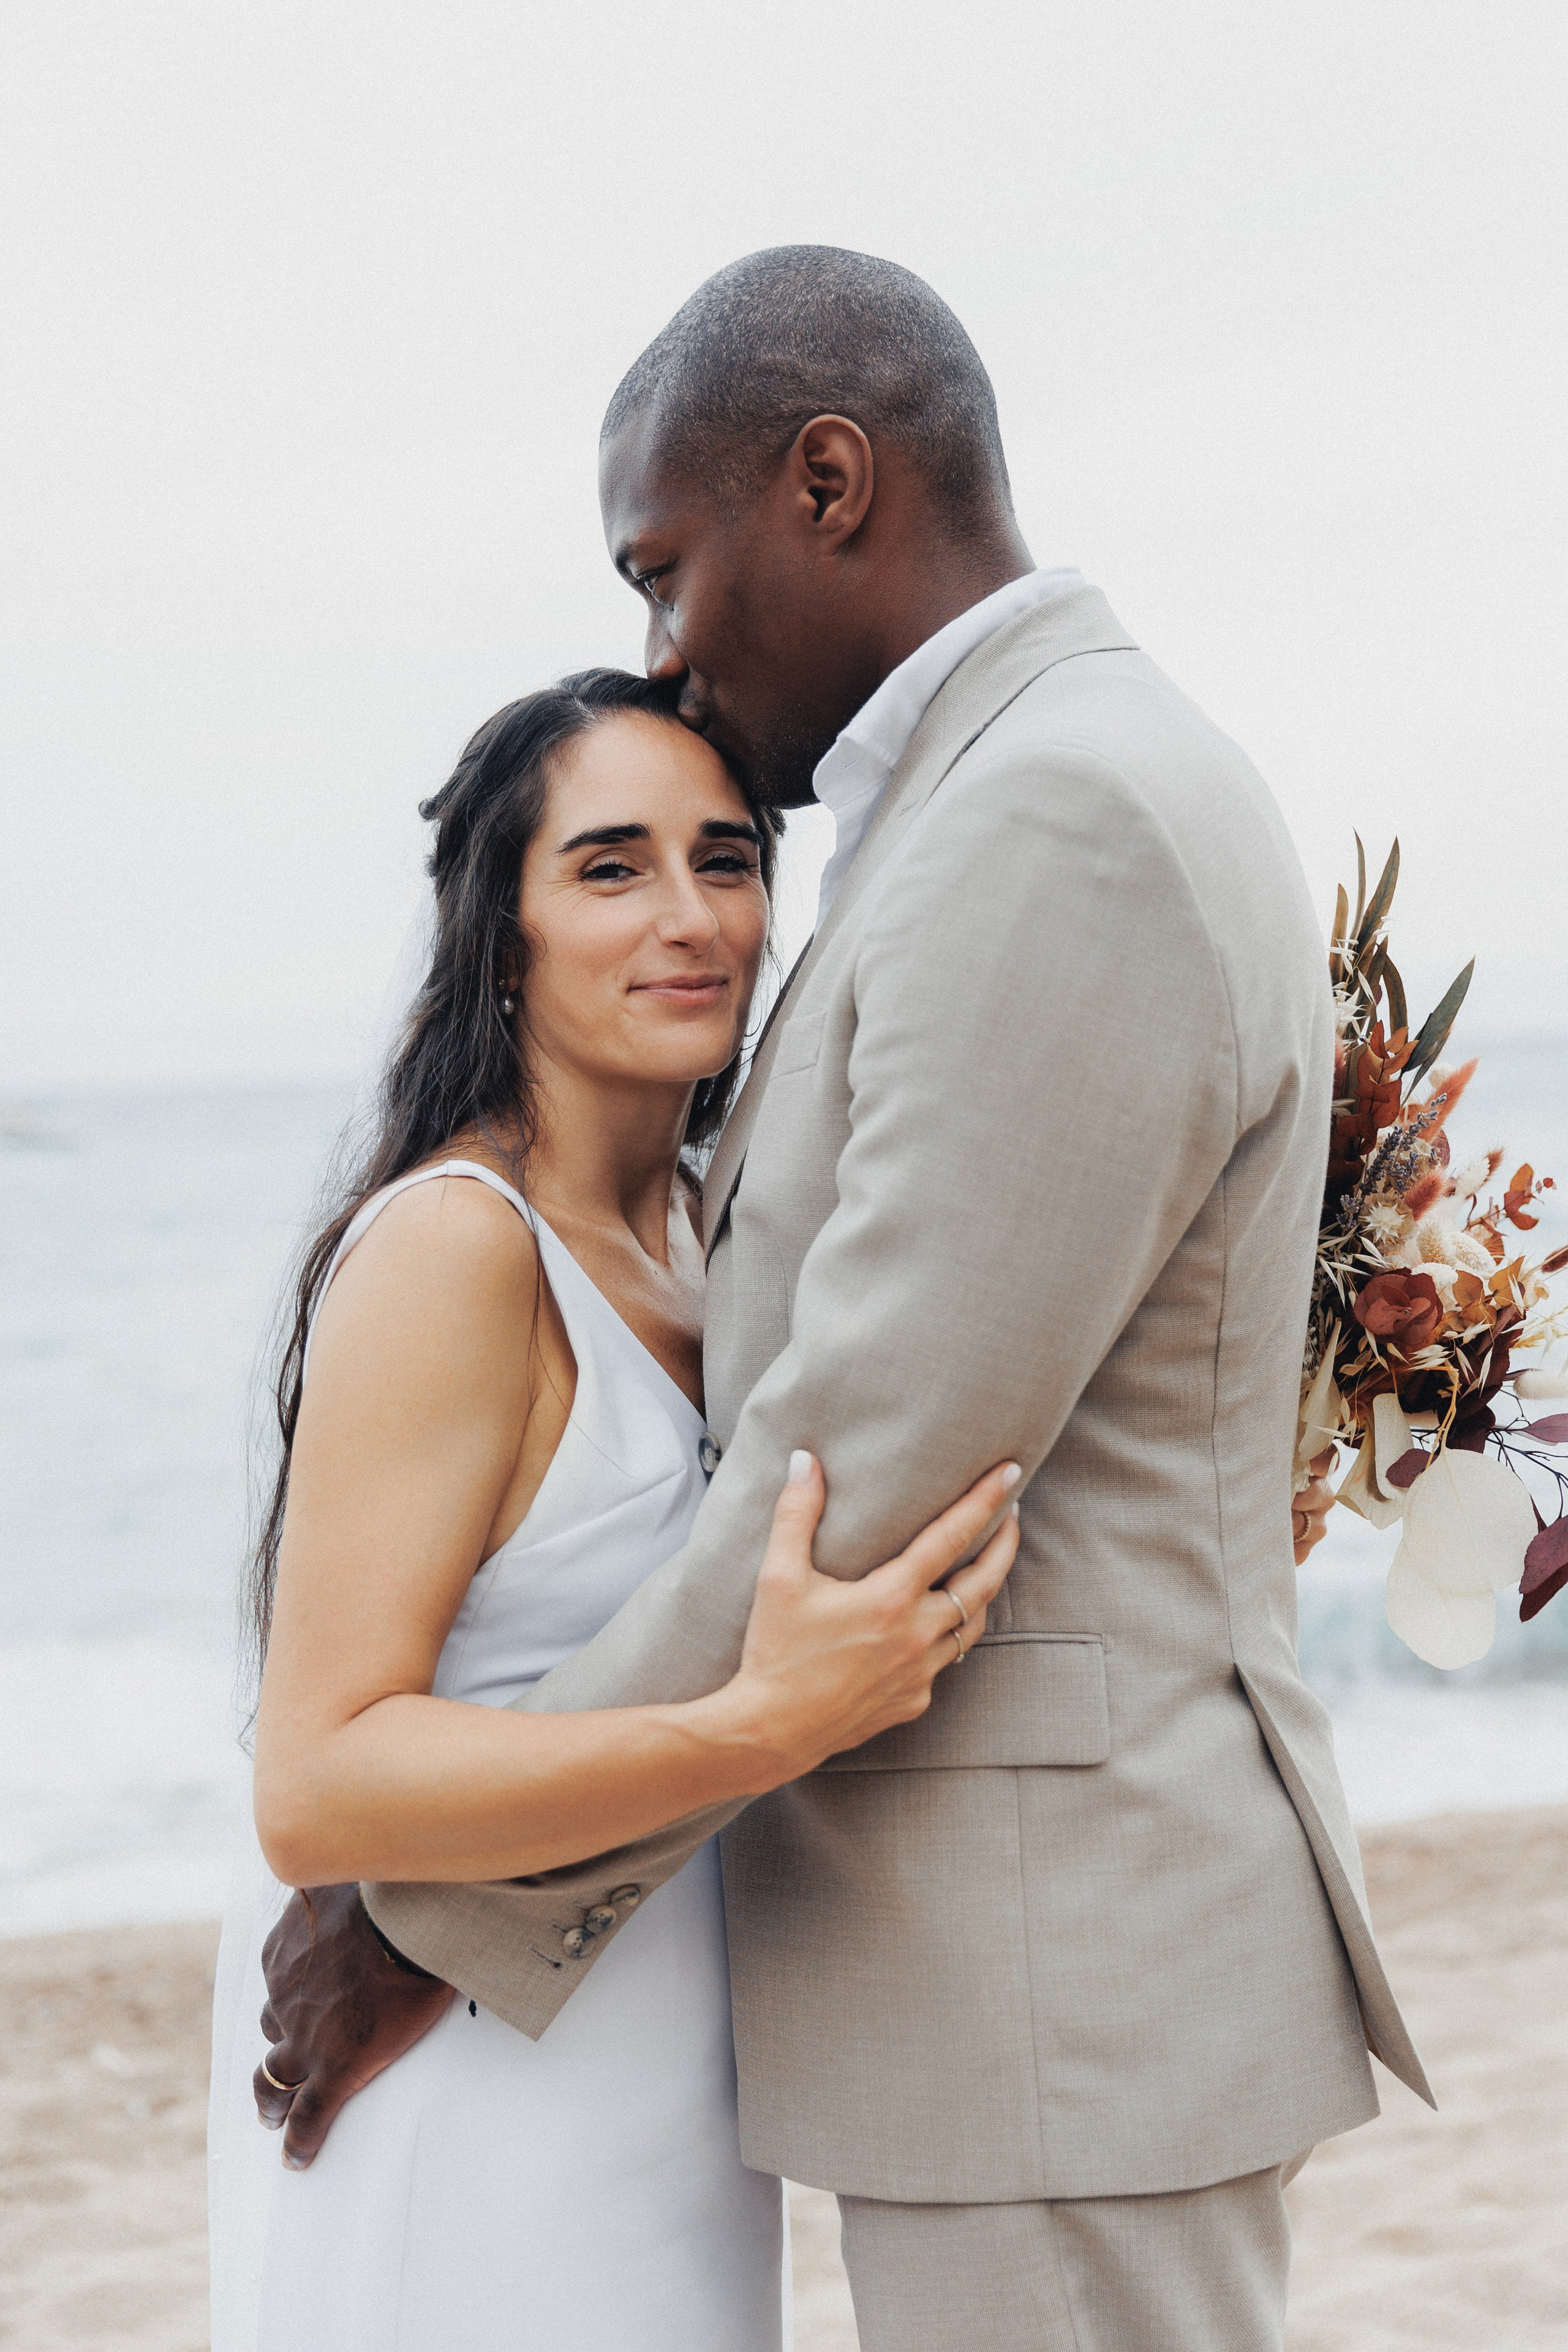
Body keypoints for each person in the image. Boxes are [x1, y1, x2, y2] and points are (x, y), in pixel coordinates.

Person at [252, 249, 1404, 2352]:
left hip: (1054, 1995)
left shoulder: (1054, 809)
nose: (664, 645)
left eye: (664, 566)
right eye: (606, 866)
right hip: (999, 1996)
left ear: (832, 481)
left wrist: (432, 1917)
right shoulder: (1029, 789)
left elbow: (857, 1457)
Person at [206, 666, 1022, 2350]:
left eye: (726, 862)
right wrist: (764, 1727)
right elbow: (319, 1779)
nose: (690, 917)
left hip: (665, 2057)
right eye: (608, 866)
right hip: (469, 2091)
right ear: (500, 936)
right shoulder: (456, 1247)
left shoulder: (718, 1243)